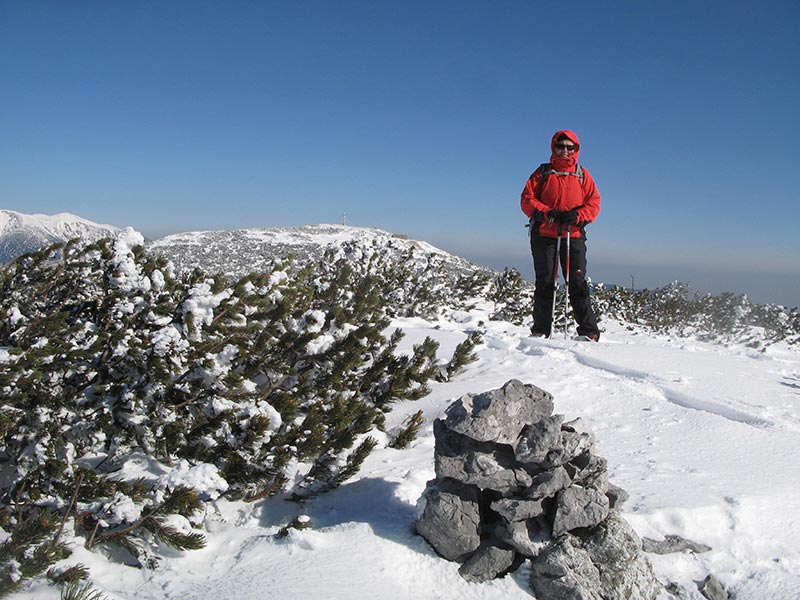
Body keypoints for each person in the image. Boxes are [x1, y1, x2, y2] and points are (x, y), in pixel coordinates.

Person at [520, 129, 601, 340]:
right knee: (546, 281)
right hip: (544, 233)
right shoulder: (543, 172)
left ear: (576, 149)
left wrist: (578, 216)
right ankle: (541, 329)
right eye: (560, 146)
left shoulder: (582, 175)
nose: (564, 150)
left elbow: (594, 203)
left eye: (569, 147)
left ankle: (588, 331)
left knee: (577, 281)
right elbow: (527, 199)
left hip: (572, 234)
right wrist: (547, 213)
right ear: (553, 147)